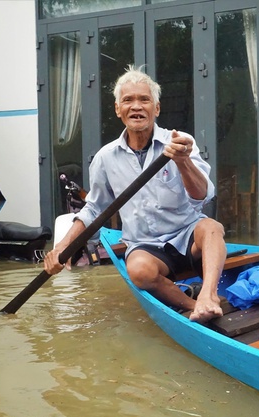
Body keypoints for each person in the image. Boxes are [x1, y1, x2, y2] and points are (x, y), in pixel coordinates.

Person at [44, 65, 226, 323]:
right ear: (118, 109)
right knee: (138, 271)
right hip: (147, 246)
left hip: (186, 236)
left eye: (144, 99)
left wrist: (183, 161)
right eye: (128, 100)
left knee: (211, 227)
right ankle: (192, 305)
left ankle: (209, 296)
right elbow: (94, 210)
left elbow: (203, 195)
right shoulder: (106, 158)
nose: (136, 106)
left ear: (157, 108)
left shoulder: (178, 142)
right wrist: (63, 247)